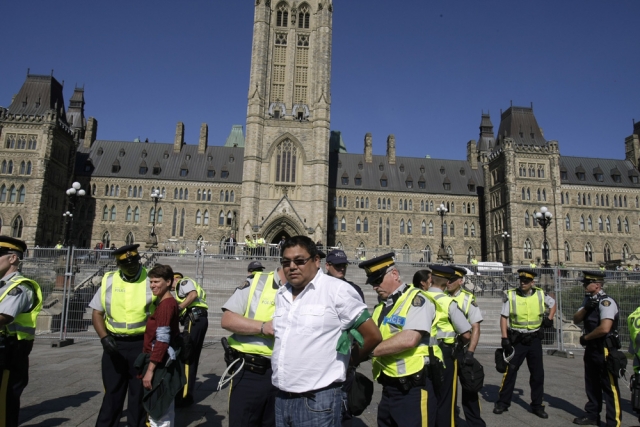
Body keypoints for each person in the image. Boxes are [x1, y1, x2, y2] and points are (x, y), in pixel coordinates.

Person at [272, 236, 381, 426]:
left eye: (299, 261)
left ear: (316, 261)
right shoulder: (281, 294)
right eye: (286, 262)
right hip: (282, 399)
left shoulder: (337, 290)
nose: (292, 266)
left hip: (318, 401)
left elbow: (372, 335)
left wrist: (349, 362)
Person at [360, 253, 439, 427]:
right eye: (372, 282)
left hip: (413, 389)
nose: (374, 287)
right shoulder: (382, 306)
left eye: (377, 280)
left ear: (394, 274)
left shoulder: (417, 299)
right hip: (389, 388)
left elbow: (410, 339)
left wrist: (366, 351)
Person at [90, 244, 155, 427]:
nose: (132, 266)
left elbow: (163, 312)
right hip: (114, 345)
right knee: (112, 394)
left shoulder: (151, 279)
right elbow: (97, 313)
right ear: (118, 265)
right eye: (126, 264)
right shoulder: (109, 280)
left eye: (134, 262)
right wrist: (104, 337)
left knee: (138, 397)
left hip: (141, 345)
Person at [221, 264, 287, 426]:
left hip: (288, 375)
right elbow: (227, 320)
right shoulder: (257, 282)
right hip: (251, 372)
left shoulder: (311, 289)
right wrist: (263, 327)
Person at [494, 268, 556, 419]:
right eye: (521, 281)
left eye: (526, 281)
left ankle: (537, 405)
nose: (523, 283)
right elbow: (504, 317)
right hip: (518, 340)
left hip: (534, 339)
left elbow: (553, 304)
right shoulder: (512, 295)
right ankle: (503, 402)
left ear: (532, 282)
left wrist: (550, 317)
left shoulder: (541, 294)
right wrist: (504, 338)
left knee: (537, 374)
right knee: (510, 372)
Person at [0, 236, 42, 427]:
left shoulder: (20, 287)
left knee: (4, 406)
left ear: (12, 259)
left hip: (9, 352)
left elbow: (4, 317)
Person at [572, 271, 621, 426]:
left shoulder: (606, 302)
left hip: (604, 348)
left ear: (597, 285)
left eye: (587, 283)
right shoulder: (589, 300)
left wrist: (586, 338)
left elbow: (605, 328)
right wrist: (586, 308)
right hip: (592, 349)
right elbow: (576, 318)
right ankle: (592, 414)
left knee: (609, 386)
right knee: (592, 383)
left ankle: (614, 422)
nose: (584, 286)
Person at [426, 265, 471, 427]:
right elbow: (466, 334)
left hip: (421, 354)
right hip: (444, 355)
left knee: (428, 397)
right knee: (445, 399)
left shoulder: (419, 297)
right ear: (446, 283)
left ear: (430, 279)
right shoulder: (448, 302)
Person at [325, 249, 364, 426]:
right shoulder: (316, 288)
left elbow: (363, 326)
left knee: (342, 408)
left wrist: (354, 358)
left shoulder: (353, 289)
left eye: (344, 266)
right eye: (337, 265)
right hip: (321, 358)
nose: (342, 269)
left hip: (343, 359)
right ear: (327, 266)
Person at [139, 264, 182, 426]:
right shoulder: (167, 303)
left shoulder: (166, 305)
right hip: (163, 360)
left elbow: (162, 339)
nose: (152, 285)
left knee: (158, 411)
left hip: (160, 363)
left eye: (157, 281)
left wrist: (150, 370)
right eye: (151, 282)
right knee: (163, 409)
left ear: (168, 282)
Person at [447, 266, 486, 427]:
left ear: (460, 281)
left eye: (452, 280)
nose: (448, 282)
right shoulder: (440, 296)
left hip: (462, 350)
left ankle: (475, 423)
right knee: (447, 390)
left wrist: (470, 352)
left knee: (470, 389)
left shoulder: (467, 299)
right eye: (447, 279)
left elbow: (475, 327)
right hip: (445, 349)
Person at [172, 272, 209, 408]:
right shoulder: (183, 285)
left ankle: (184, 395)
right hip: (199, 319)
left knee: (186, 357)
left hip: (193, 318)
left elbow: (192, 295)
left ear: (174, 279)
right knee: (191, 356)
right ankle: (187, 394)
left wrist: (179, 307)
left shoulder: (183, 283)